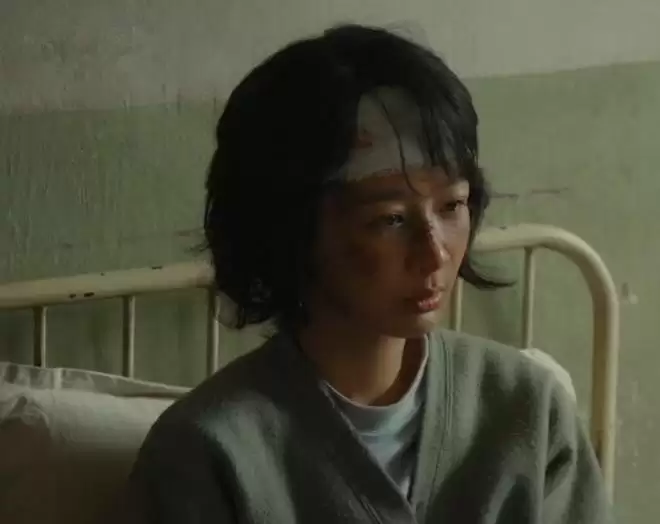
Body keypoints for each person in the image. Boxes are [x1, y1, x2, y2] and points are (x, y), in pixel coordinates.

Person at [127, 24, 611, 523]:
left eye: (452, 206)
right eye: (390, 220)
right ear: (292, 231)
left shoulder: (528, 410)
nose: (434, 253)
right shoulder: (206, 455)